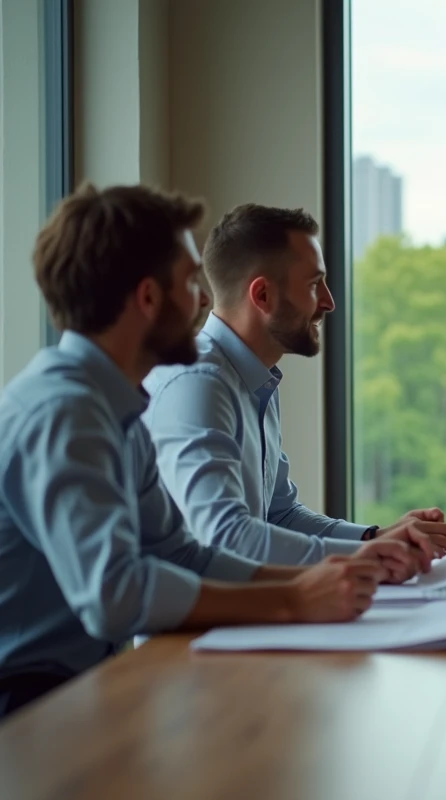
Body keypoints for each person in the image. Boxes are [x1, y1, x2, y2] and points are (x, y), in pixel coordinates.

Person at [0, 184, 406, 719]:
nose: (206, 301)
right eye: (192, 283)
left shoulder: (115, 405)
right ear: (148, 298)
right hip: (28, 706)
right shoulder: (64, 412)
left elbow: (181, 553)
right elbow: (116, 594)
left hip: (81, 687)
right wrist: (293, 599)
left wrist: (334, 576)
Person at [144, 204, 446, 567]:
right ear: (262, 296)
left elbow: (281, 515)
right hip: (192, 624)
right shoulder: (198, 384)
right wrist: (371, 557)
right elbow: (227, 537)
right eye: (313, 285)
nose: (329, 301)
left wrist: (375, 537)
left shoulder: (255, 380)